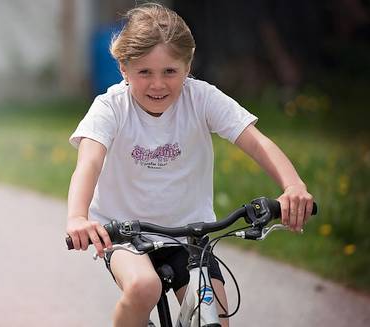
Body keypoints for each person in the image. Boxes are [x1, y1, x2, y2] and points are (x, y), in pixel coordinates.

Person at [65, 3, 314, 327]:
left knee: (215, 320)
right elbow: (90, 160)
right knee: (144, 287)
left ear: (188, 65)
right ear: (124, 69)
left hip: (192, 238)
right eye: (145, 73)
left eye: (170, 71)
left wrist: (293, 186)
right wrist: (77, 217)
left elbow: (256, 142)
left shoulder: (201, 98)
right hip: (126, 235)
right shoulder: (110, 108)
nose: (158, 84)